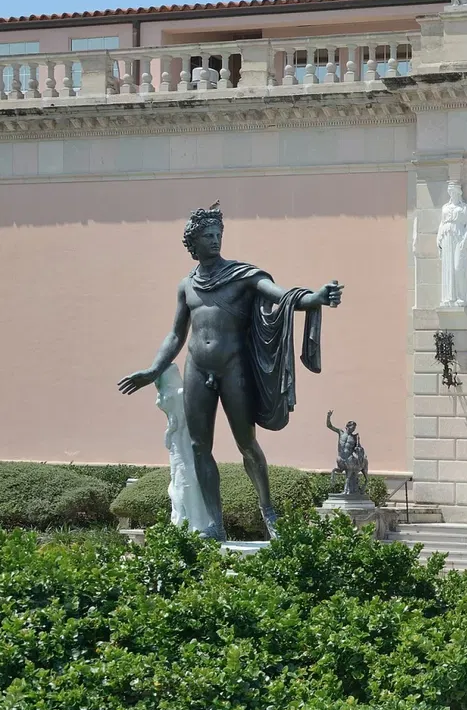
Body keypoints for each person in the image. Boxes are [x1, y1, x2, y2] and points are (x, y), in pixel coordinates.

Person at [117, 205, 342, 539]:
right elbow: (177, 334)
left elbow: (284, 298)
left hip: (233, 367)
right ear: (193, 243)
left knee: (247, 444)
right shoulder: (187, 285)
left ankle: (269, 513)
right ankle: (215, 524)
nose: (215, 240)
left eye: (218, 234)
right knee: (198, 447)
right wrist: (154, 369)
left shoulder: (243, 276)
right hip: (198, 367)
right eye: (207, 236)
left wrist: (316, 297)